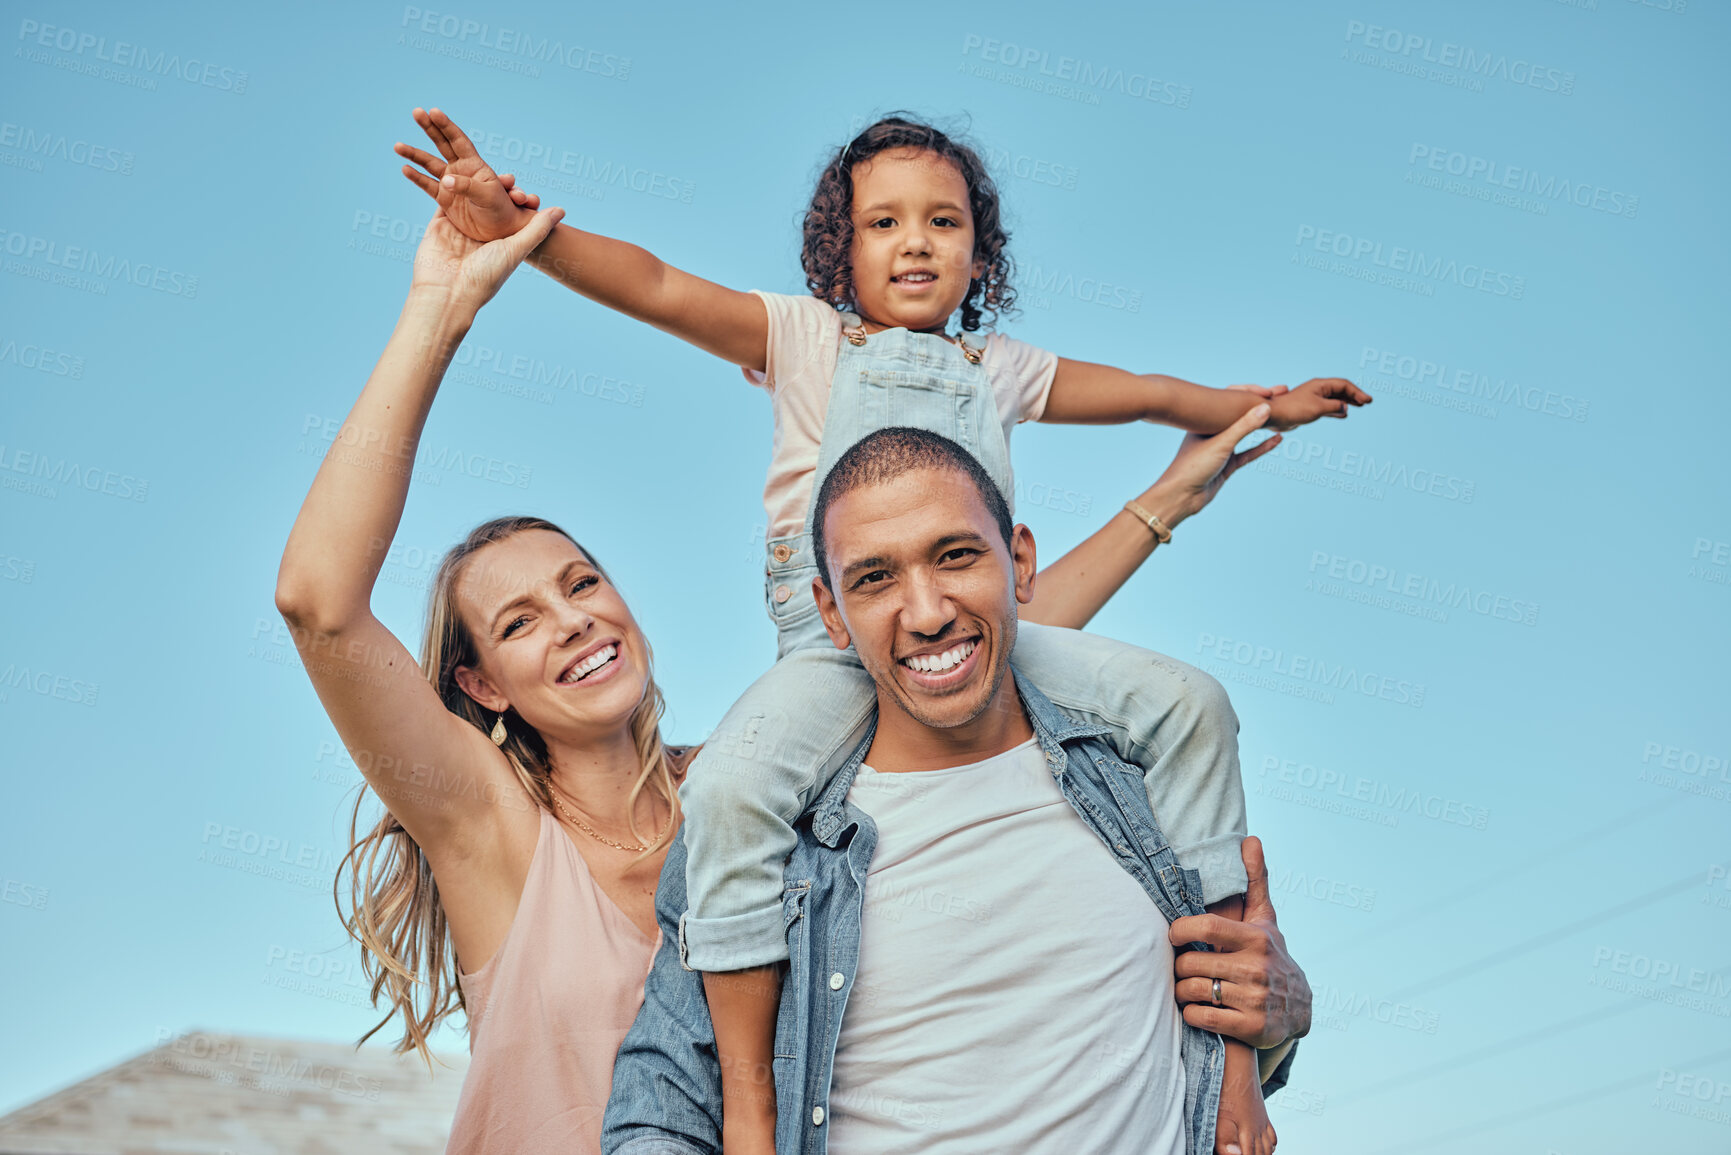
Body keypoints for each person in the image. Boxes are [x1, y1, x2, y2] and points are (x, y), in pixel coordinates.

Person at [394, 108, 1368, 1151]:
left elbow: (1146, 395)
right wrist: (526, 236)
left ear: (979, 252)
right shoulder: (804, 341)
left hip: (994, 653)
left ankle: (1225, 1036)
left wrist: (1256, 406)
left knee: (1191, 702)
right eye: (884, 223)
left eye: (943, 222)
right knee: (728, 785)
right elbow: (662, 287)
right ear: (838, 252)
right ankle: (751, 1101)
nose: (915, 243)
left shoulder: (1003, 370)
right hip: (826, 666)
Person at [604, 428, 1306, 1155]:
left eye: (956, 555)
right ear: (831, 611)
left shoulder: (1141, 794)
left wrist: (1271, 1029)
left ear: (1020, 562)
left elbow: (1196, 1057)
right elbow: (658, 1109)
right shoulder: (771, 837)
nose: (927, 611)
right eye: (874, 578)